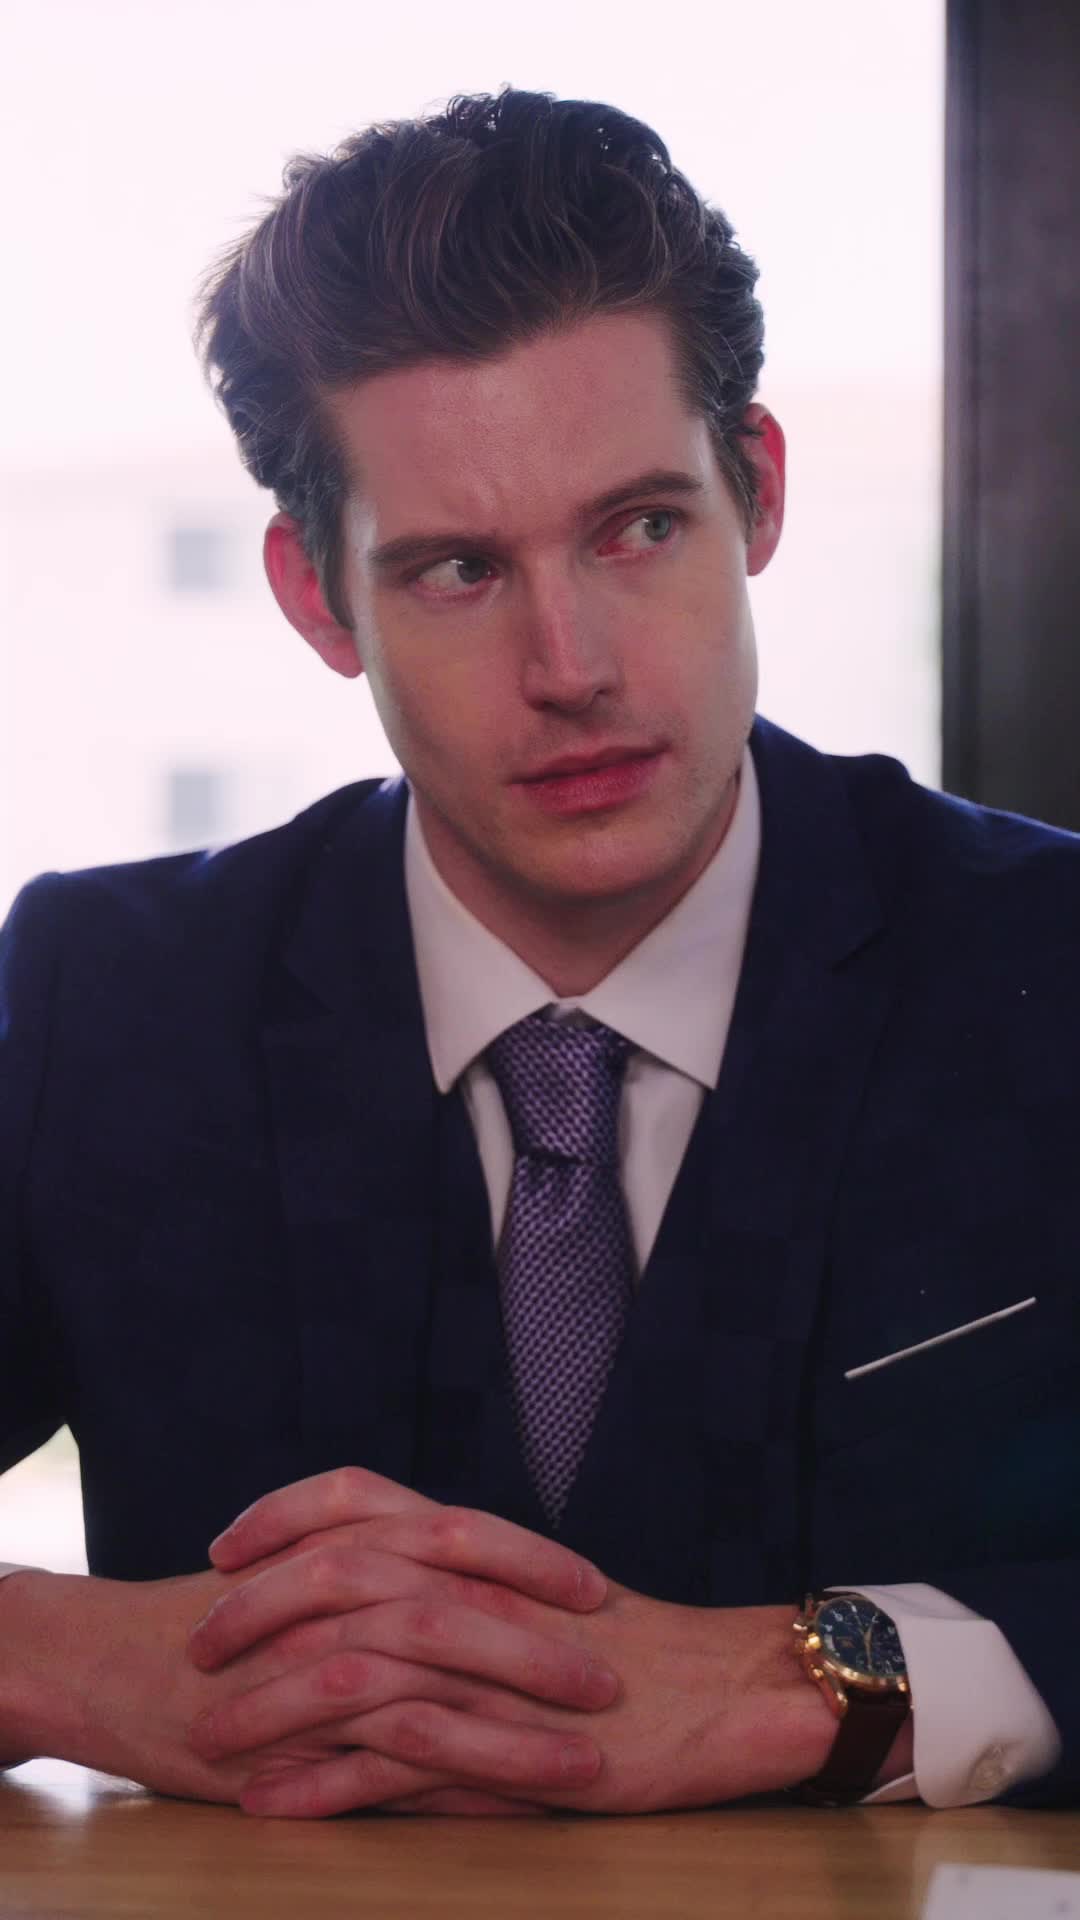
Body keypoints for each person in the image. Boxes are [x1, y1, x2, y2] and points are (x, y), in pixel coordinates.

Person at [0, 87, 1077, 1821]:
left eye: (638, 526)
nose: (572, 666)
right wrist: (47, 1656)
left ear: (757, 491)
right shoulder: (108, 1000)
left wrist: (829, 1679)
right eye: (456, 570)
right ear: (315, 595)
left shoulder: (1052, 963)